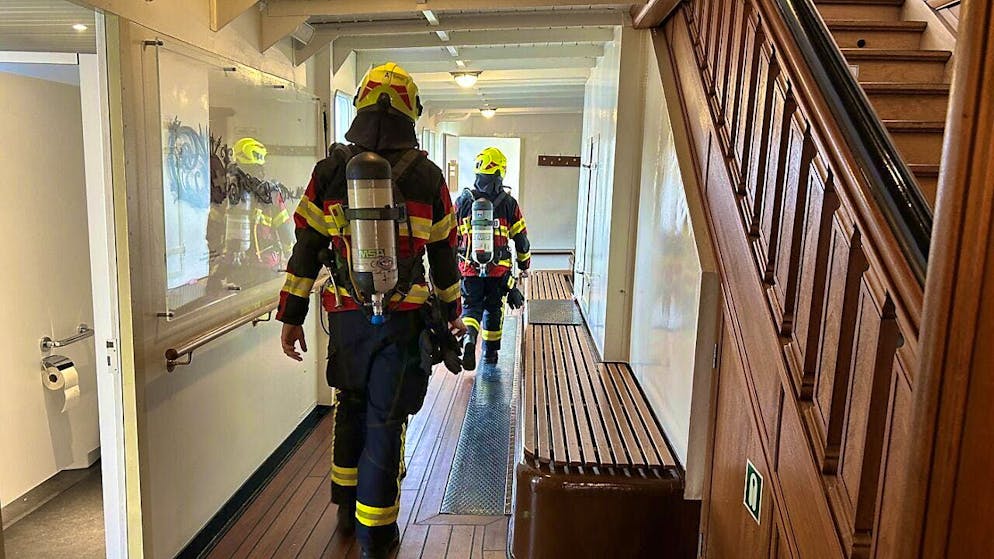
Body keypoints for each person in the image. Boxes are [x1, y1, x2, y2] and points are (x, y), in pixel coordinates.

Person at [277, 62, 465, 559]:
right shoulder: (427, 177)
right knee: (388, 417)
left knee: (351, 405)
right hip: (403, 322)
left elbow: (306, 247)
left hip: (345, 318)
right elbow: (444, 256)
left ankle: (344, 505)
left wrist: (292, 315)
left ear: (360, 106)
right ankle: (376, 533)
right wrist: (452, 313)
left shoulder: (330, 171)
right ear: (411, 111)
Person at [456, 146, 531, 370]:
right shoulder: (509, 203)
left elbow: (451, 237)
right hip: (498, 271)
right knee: (494, 309)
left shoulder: (462, 201)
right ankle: (490, 355)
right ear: (500, 173)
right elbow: (522, 241)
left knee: (470, 308)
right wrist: (524, 265)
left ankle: (469, 339)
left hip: (468, 269)